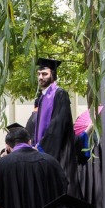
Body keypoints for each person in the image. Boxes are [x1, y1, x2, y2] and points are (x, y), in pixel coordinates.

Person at [27, 57, 78, 191]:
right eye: (39, 74)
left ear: (53, 75)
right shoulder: (41, 98)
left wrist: (42, 146)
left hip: (58, 152)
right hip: (42, 151)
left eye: (44, 74)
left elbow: (58, 124)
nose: (40, 77)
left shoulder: (60, 94)